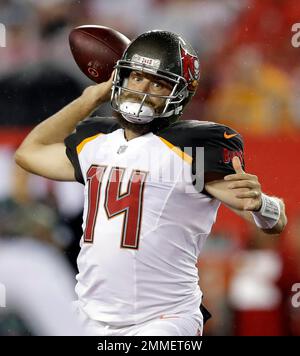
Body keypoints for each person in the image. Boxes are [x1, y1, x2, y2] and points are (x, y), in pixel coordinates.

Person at [14, 30, 287, 336]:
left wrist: (264, 206)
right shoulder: (97, 140)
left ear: (179, 93)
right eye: (136, 77)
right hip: (90, 315)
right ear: (120, 78)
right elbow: (29, 153)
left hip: (163, 320)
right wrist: (87, 100)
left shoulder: (191, 147)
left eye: (158, 83)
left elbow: (268, 219)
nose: (143, 89)